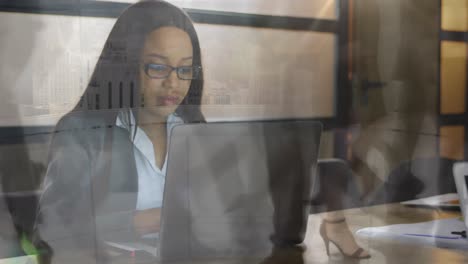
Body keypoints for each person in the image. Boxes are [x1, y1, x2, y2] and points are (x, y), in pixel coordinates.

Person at [35, 1, 204, 262]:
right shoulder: (84, 132)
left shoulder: (192, 128)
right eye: (158, 67)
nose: (173, 83)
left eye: (184, 70)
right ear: (127, 66)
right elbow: (54, 232)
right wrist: (144, 221)